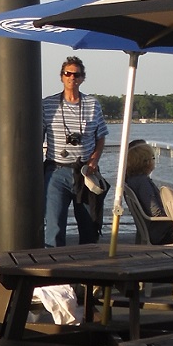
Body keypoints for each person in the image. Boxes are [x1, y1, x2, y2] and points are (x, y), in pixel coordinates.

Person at [41, 56, 109, 246]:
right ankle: (55, 270)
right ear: (62, 77)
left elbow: (101, 135)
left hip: (85, 172)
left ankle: (87, 269)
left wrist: (94, 160)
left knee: (89, 226)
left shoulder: (92, 104)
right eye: (68, 73)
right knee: (54, 227)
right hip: (56, 171)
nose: (72, 77)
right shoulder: (47, 105)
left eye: (76, 74)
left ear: (82, 78)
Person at [124, 141, 173, 244]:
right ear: (146, 162)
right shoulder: (143, 183)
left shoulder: (130, 180)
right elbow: (156, 212)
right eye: (153, 158)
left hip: (149, 230)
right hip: (161, 233)